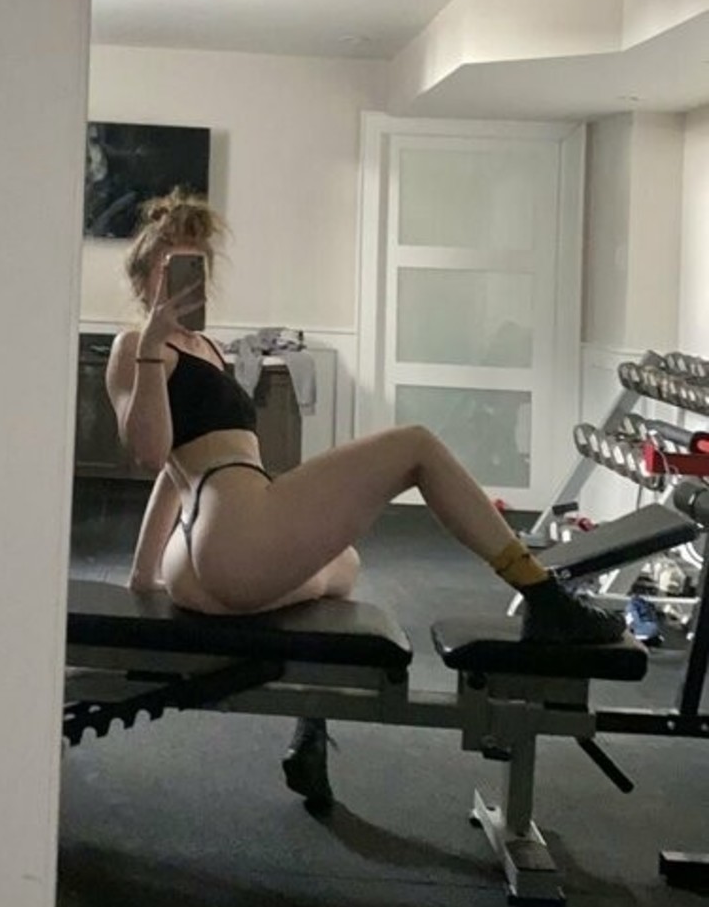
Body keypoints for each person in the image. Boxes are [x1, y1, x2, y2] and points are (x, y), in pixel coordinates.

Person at [106, 187, 626, 642]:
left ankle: (309, 699)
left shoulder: (207, 349)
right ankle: (543, 594)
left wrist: (142, 575)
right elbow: (152, 455)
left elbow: (176, 475)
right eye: (169, 270)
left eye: (196, 267)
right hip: (232, 536)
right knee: (415, 445)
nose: (183, 284)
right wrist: (150, 346)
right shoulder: (135, 346)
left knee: (345, 566)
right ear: (144, 277)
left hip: (204, 557)